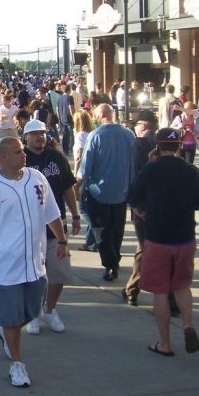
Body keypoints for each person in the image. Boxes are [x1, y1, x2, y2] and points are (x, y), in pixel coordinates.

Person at [0, 137, 68, 388]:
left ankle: (5, 327)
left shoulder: (37, 178)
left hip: (35, 263)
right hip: (5, 267)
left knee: (32, 311)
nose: (23, 154)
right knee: (12, 319)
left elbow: (52, 212)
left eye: (22, 150)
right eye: (17, 151)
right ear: (2, 157)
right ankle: (17, 364)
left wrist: (62, 241)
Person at [127, 128, 199, 357]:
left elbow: (132, 194)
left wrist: (141, 210)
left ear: (158, 146)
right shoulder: (190, 170)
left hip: (158, 237)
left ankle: (165, 343)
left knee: (160, 292)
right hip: (185, 236)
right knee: (182, 285)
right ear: (179, 146)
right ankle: (187, 323)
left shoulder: (151, 169)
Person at [21, 120, 80, 334]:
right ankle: (32, 312)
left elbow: (67, 188)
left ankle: (49, 308)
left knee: (58, 272)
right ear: (25, 137)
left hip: (56, 225)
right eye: (34, 133)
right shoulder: (21, 159)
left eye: (42, 133)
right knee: (32, 274)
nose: (39, 137)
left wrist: (75, 215)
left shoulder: (56, 157)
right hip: (29, 227)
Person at [77, 104, 135, 281]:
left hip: (98, 191)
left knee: (102, 231)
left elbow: (86, 166)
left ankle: (110, 264)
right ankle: (115, 257)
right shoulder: (128, 134)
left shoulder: (96, 135)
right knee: (117, 229)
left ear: (101, 114)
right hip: (122, 191)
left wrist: (78, 184)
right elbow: (134, 163)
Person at [121, 111, 158, 306]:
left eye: (136, 125)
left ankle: (132, 291)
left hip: (143, 206)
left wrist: (134, 204)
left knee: (145, 247)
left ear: (142, 126)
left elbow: (134, 176)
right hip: (161, 207)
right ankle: (131, 289)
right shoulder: (163, 142)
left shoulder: (139, 144)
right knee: (145, 247)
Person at [73, 109, 96, 252]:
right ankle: (91, 242)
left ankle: (98, 231)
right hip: (93, 173)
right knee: (89, 207)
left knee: (82, 209)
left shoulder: (80, 135)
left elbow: (79, 156)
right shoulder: (93, 133)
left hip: (83, 173)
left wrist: (75, 176)